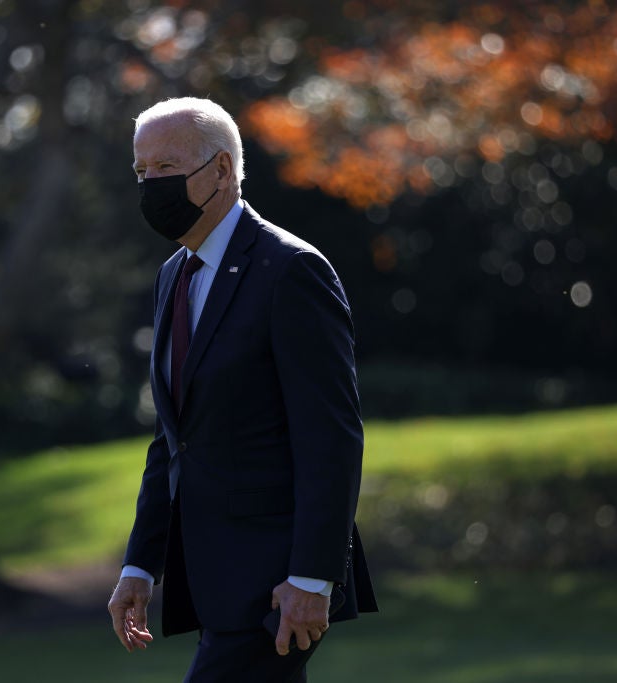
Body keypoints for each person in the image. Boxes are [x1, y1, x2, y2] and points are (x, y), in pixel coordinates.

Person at [107, 97, 377, 683]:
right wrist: (141, 564)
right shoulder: (173, 274)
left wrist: (312, 578)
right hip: (213, 578)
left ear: (222, 170)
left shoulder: (291, 270)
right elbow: (173, 438)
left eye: (167, 168)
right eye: (142, 172)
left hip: (277, 584)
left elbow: (330, 436)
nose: (151, 185)